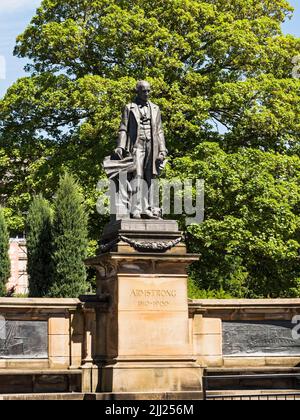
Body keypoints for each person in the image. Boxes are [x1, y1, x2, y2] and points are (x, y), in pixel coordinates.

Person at [114, 81, 167, 219]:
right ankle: (136, 209)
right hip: (136, 145)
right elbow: (123, 129)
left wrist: (163, 150)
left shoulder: (155, 108)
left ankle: (149, 209)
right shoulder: (129, 107)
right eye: (144, 91)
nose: (147, 93)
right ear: (137, 91)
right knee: (137, 175)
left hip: (152, 145)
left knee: (151, 176)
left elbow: (160, 131)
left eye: (149, 91)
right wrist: (120, 146)